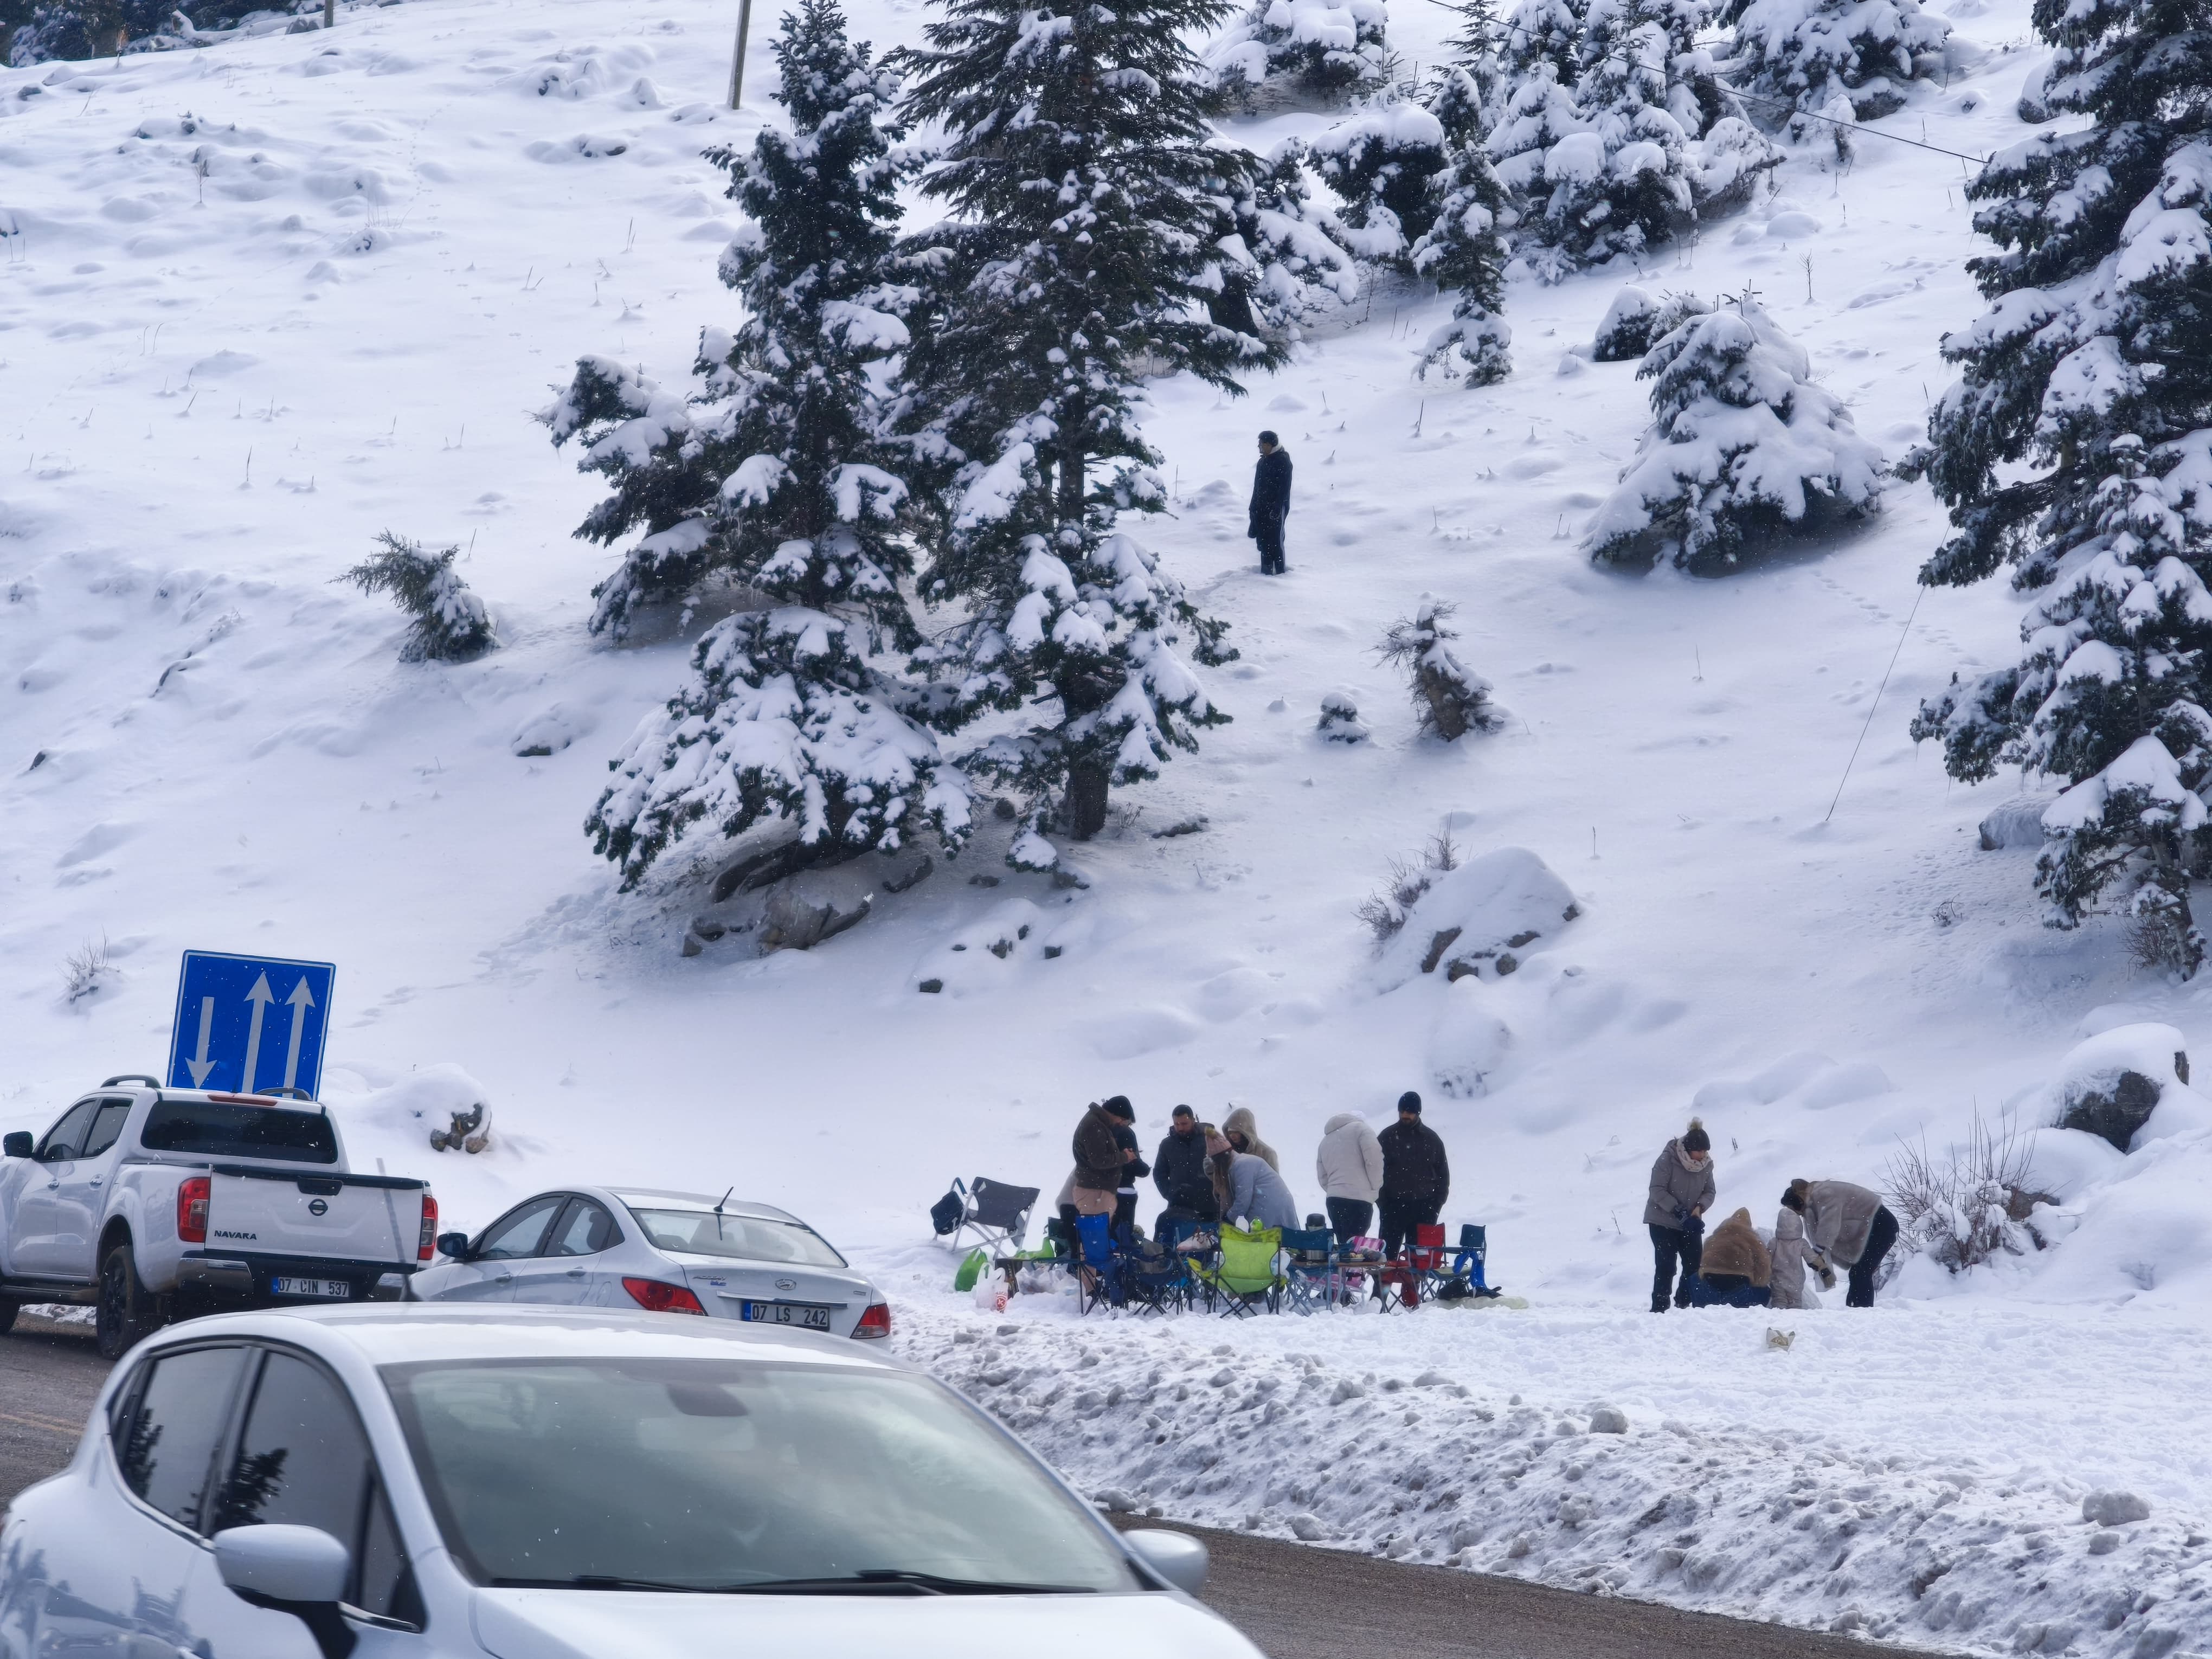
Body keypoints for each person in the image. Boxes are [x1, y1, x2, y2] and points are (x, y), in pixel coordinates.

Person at [1785, 1178, 1898, 1308]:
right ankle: (1855, 1309)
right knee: (1858, 1272)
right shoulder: (1816, 1199)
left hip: (1882, 1225)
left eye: (1797, 1213)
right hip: (1875, 1226)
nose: (1800, 1216)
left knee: (1861, 1272)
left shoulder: (1822, 1194)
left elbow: (1829, 1223)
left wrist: (1818, 1250)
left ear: (1798, 1202)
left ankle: (1862, 1311)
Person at [1643, 1117, 1714, 1312]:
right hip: (1661, 1220)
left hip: (1690, 1222)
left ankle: (1683, 1304)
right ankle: (1660, 1308)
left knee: (1694, 1264)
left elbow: (1710, 1192)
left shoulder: (1706, 1165)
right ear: (1689, 1149)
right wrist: (1678, 1210)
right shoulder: (1668, 1159)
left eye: (1705, 1151)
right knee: (1666, 1265)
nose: (1703, 1155)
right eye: (1700, 1151)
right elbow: (1656, 1189)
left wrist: (1698, 1209)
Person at [1376, 1091, 1449, 1259]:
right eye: (1402, 1111)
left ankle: (1413, 1287)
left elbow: (1443, 1177)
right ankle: (1382, 1287)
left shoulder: (1432, 1140)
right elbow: (1375, 1172)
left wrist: (1434, 1207)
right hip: (1392, 1208)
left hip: (1423, 1209)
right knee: (1385, 1261)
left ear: (1418, 1112)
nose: (1405, 1115)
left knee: (1418, 1264)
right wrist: (1383, 1203)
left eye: (1409, 1112)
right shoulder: (1387, 1137)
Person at [1210, 1129, 1300, 1231]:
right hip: (1270, 1203)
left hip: (1269, 1204)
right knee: (1276, 1240)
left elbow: (1243, 1200)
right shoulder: (1238, 1163)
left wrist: (1229, 1218)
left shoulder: (1242, 1165)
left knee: (1266, 1240)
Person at [1316, 1111, 1384, 1244]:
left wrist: (1335, 1189)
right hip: (1359, 1199)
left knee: (1344, 1247)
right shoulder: (1362, 1130)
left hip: (1334, 1200)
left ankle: (1342, 1264)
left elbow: (1322, 1175)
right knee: (1355, 1249)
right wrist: (1375, 1188)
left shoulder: (1326, 1140)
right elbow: (1374, 1161)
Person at [1153, 1105, 1217, 1235]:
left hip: (1208, 1204)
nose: (1180, 1128)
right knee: (1178, 1246)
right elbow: (1159, 1173)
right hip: (1178, 1205)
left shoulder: (1208, 1140)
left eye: (1184, 1123)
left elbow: (1222, 1167)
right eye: (1177, 1124)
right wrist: (1170, 1193)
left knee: (1207, 1245)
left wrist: (1218, 1191)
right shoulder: (1167, 1145)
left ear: (1193, 1121)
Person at [1071, 1096, 1134, 1226]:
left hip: (1095, 1191)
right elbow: (1099, 1160)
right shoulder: (1094, 1126)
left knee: (1096, 1239)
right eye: (1122, 1119)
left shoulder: (1098, 1123)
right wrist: (1124, 1157)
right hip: (1094, 1193)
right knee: (1095, 1240)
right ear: (1113, 1113)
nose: (1121, 1124)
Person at [1693, 1207, 1771, 1307]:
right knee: (1764, 1292)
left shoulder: (1715, 1237)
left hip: (1709, 1284)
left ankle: (1687, 1303)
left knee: (1693, 1279)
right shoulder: (1752, 1240)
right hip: (1739, 1287)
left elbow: (1703, 1262)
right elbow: (1763, 1269)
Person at [1248, 431, 1293, 576]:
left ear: (1270, 444)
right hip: (1261, 507)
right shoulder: (1263, 461)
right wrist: (1253, 506)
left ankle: (1280, 573)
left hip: (1276, 508)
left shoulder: (1283, 460)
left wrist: (1278, 507)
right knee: (1263, 541)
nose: (1260, 447)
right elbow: (1257, 487)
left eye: (1262, 444)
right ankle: (1265, 572)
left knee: (1275, 541)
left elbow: (1285, 488)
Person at [1111, 1116, 1149, 1248]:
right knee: (1123, 1240)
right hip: (1125, 1191)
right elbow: (1138, 1167)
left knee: (1108, 1237)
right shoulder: (1126, 1133)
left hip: (1102, 1191)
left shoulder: (1103, 1132)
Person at [1769, 1197, 1814, 1309]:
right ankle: (1796, 1321)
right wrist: (1821, 1266)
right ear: (1798, 1225)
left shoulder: (1775, 1242)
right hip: (1796, 1280)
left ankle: (1779, 1321)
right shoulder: (1801, 1243)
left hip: (1778, 1279)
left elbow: (1766, 1258)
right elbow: (1811, 1258)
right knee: (1796, 1303)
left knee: (1779, 1301)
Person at [1221, 1104, 1280, 1172]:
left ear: (1246, 1131)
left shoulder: (1266, 1153)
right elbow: (1222, 1179)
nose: (1232, 1136)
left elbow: (1273, 1181)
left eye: (1236, 1132)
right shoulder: (1229, 1152)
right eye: (1230, 1133)